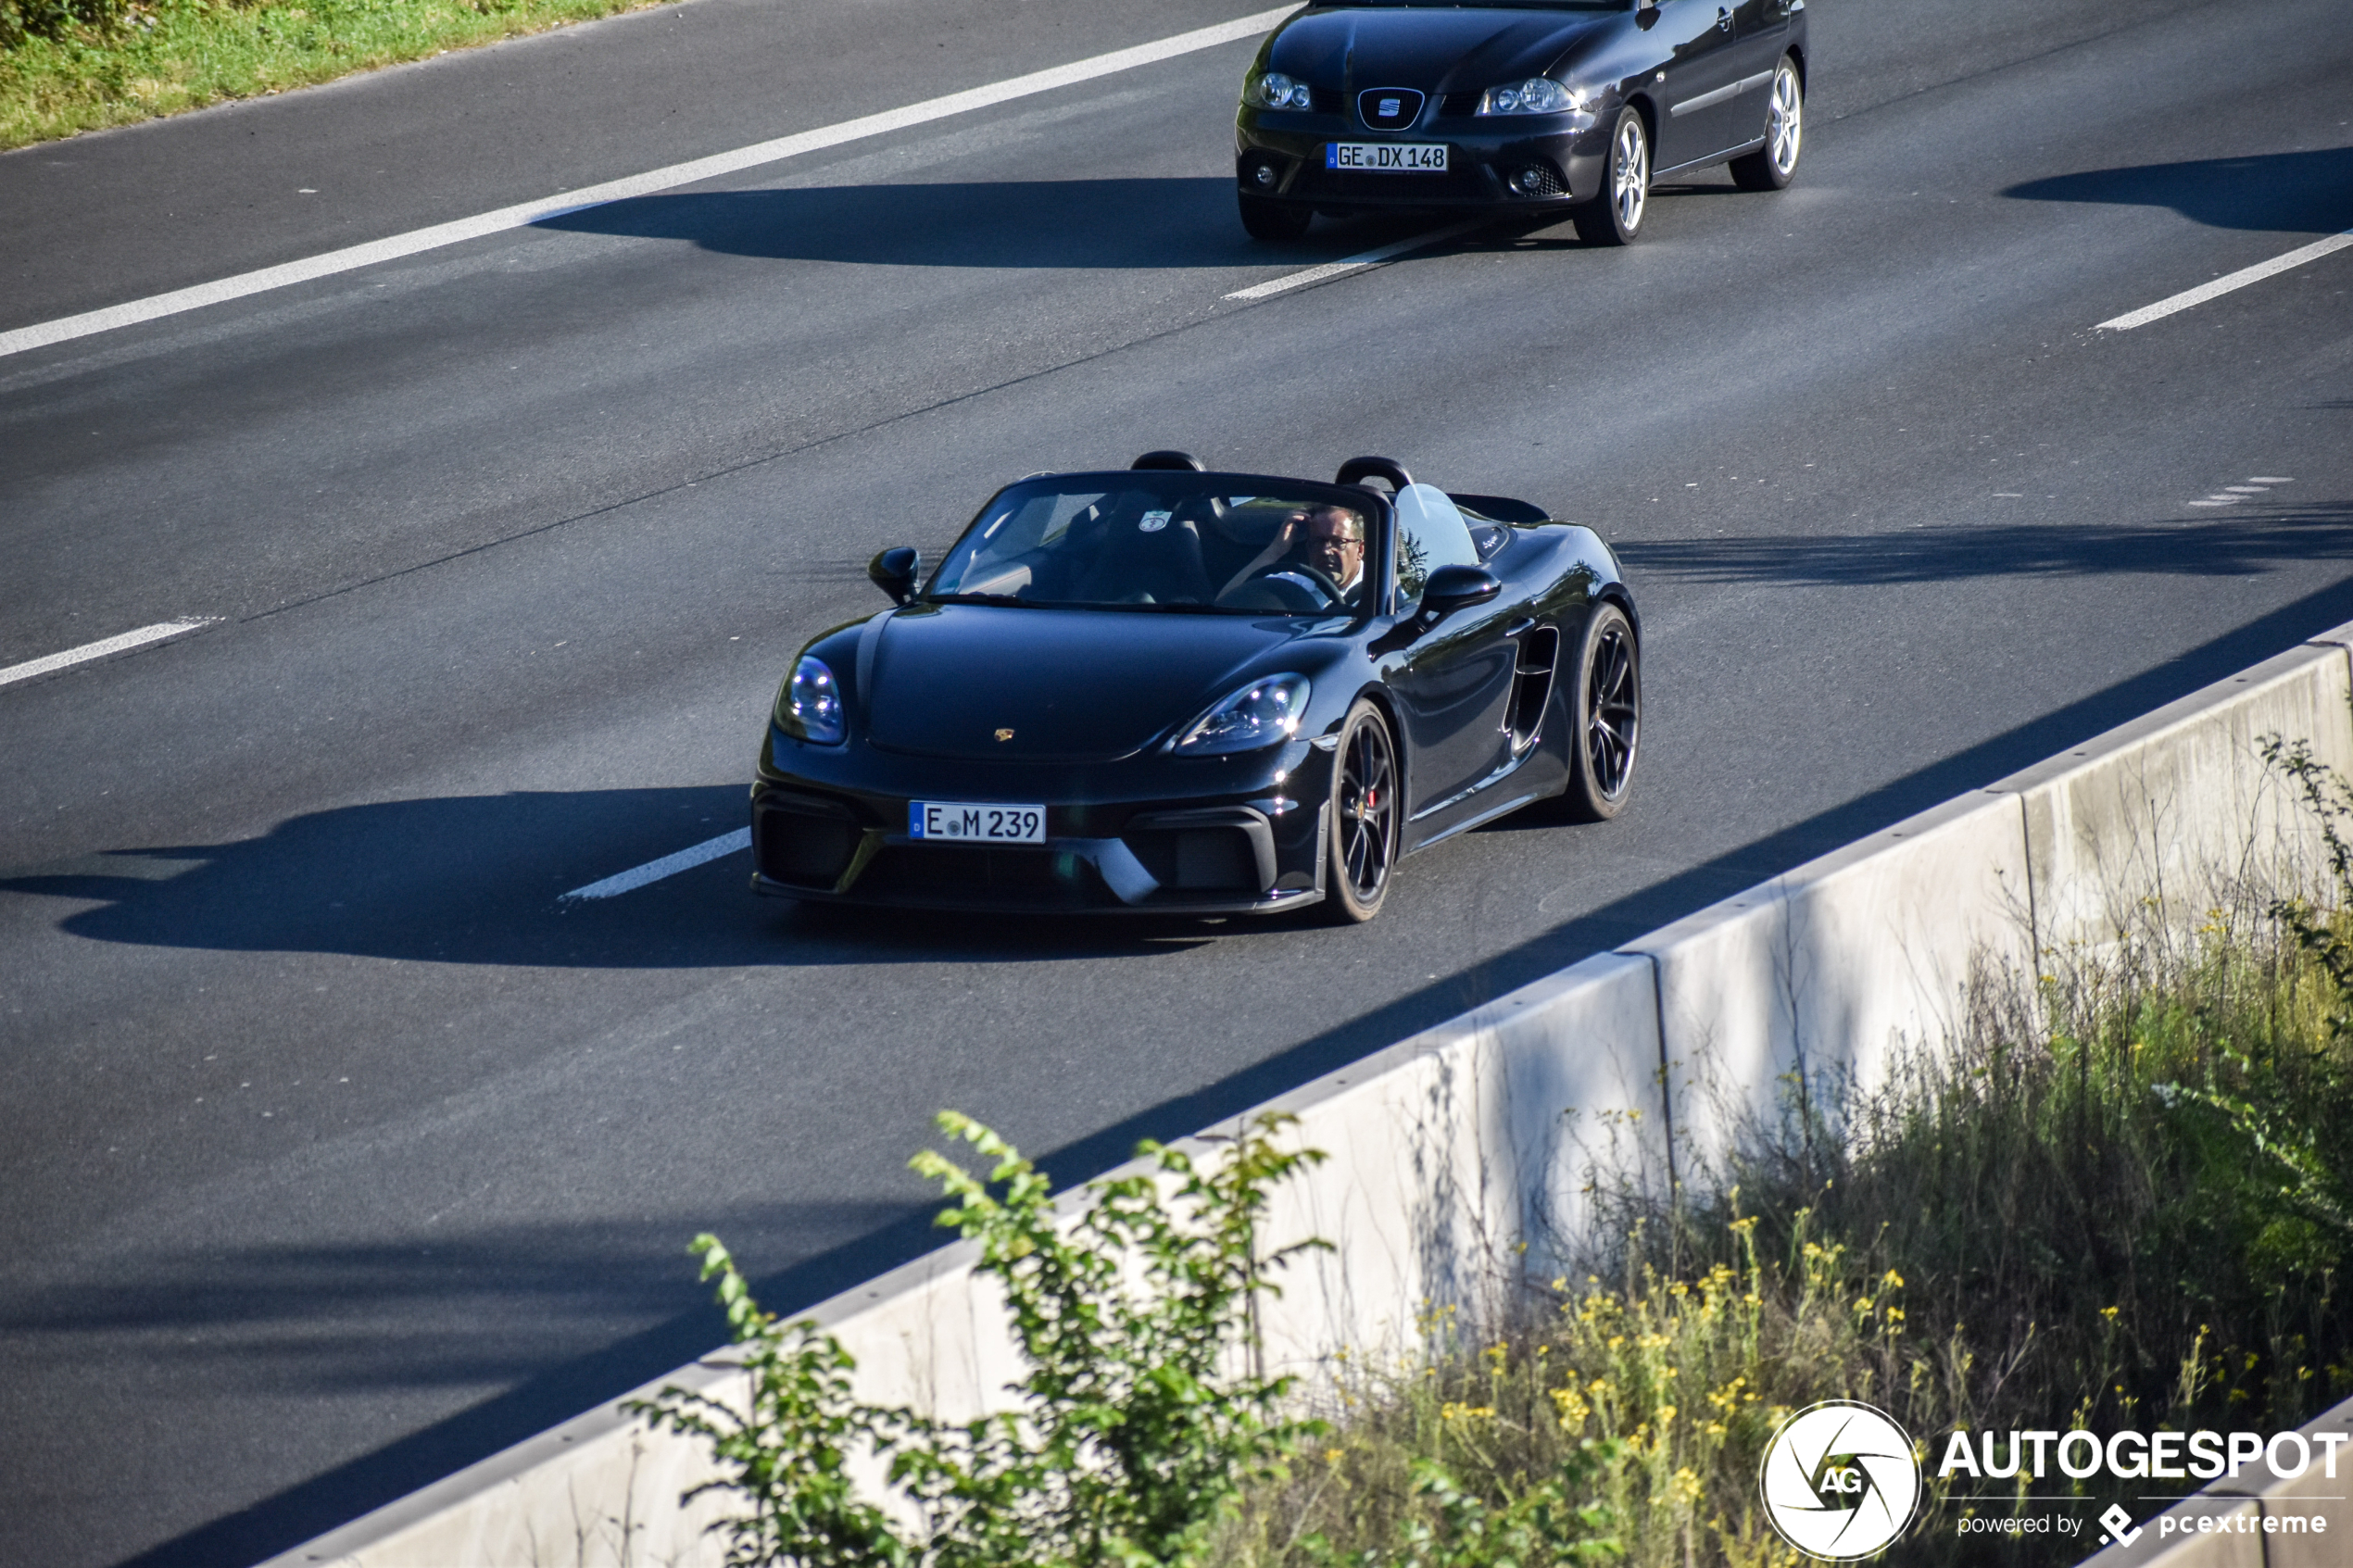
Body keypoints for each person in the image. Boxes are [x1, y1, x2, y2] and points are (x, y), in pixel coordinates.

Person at [1253, 504, 1366, 605]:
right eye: (1318, 541)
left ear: (1360, 549)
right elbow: (1237, 596)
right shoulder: (1290, 586)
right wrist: (1275, 551)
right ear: (1308, 547)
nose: (1325, 551)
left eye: (1338, 542)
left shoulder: (1379, 593)